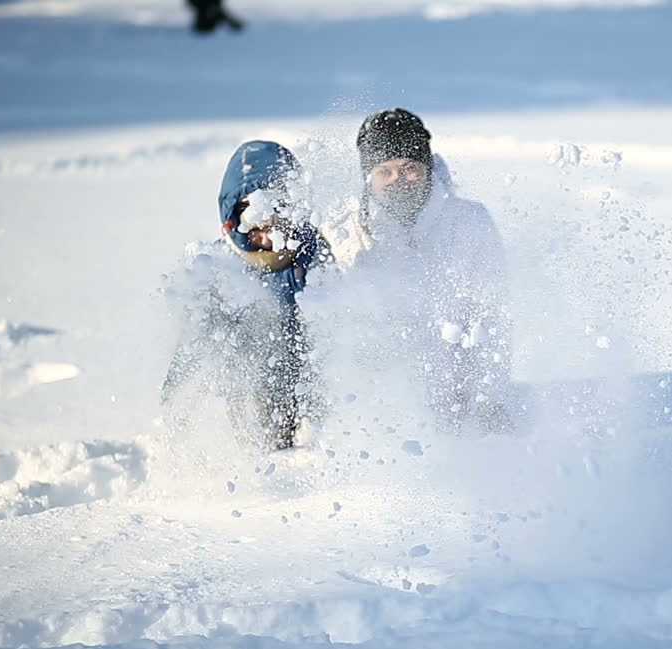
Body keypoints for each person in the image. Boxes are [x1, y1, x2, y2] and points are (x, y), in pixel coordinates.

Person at [322, 108, 513, 433]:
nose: (399, 179)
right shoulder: (343, 232)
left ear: (427, 167)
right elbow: (334, 332)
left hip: (462, 410)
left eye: (410, 168)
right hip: (379, 417)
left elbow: (493, 318)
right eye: (386, 170)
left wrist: (487, 400)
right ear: (369, 175)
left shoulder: (469, 222)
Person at [162, 140, 329, 450]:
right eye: (255, 223)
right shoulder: (218, 272)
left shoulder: (317, 258)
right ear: (231, 220)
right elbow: (190, 363)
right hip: (248, 404)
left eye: (281, 219)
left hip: (315, 399)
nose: (269, 237)